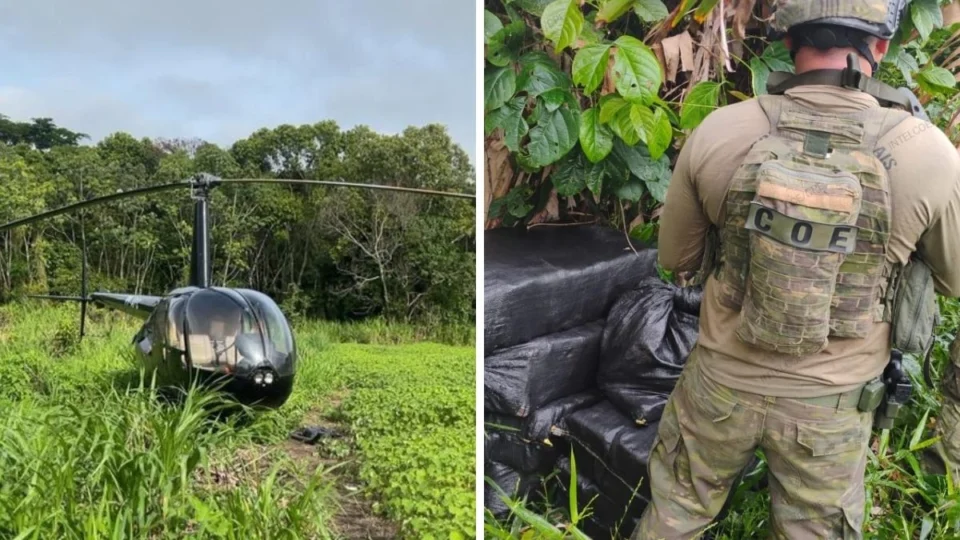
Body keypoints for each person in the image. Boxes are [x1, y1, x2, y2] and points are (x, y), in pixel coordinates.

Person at [634, 1, 960, 538]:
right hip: (832, 407)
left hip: (718, 385)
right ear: (879, 46)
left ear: (789, 44)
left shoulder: (720, 130)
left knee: (678, 513)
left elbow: (677, 261)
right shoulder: (927, 153)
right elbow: (953, 278)